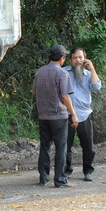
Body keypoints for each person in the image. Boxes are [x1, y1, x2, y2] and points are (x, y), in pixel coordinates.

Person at [32, 45, 79, 188]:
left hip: (43, 115)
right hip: (58, 116)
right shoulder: (62, 74)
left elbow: (34, 92)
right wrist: (74, 114)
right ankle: (59, 180)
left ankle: (43, 177)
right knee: (61, 147)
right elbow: (65, 96)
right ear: (62, 58)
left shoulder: (39, 72)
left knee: (45, 146)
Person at [64, 47, 101, 181]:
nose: (78, 60)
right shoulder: (64, 73)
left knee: (88, 145)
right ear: (71, 60)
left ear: (85, 59)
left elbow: (97, 88)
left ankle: (88, 171)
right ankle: (66, 171)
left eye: (80, 57)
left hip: (84, 114)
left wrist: (92, 69)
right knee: (65, 145)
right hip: (67, 114)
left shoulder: (89, 74)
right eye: (75, 58)